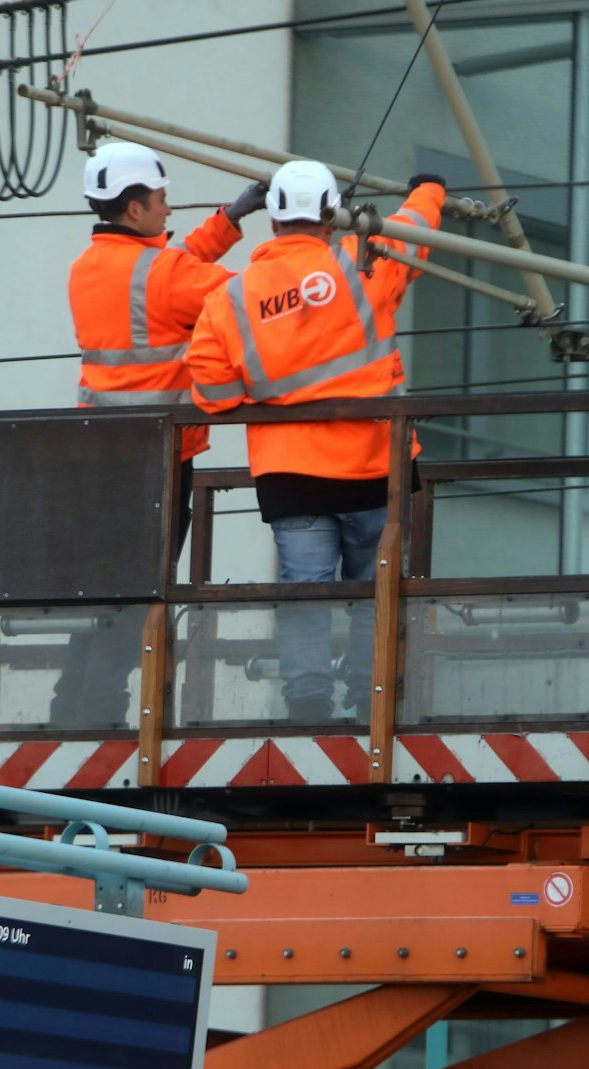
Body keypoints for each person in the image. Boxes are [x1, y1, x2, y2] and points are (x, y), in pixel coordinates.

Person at [187, 160, 445, 723]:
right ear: (332, 214)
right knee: (371, 590)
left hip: (291, 474)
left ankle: (307, 697)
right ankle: (370, 692)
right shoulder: (362, 263)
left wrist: (269, 392)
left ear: (273, 219)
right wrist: (428, 188)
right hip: (376, 466)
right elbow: (413, 231)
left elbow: (210, 390)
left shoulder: (231, 298)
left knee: (305, 588)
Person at [50, 141, 267, 727]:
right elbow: (246, 296)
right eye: (163, 200)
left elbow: (168, 269)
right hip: (159, 459)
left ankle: (69, 704)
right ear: (136, 208)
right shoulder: (163, 274)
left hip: (100, 452)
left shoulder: (88, 266)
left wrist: (229, 221)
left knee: (102, 589)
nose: (169, 210)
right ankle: (100, 712)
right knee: (139, 592)